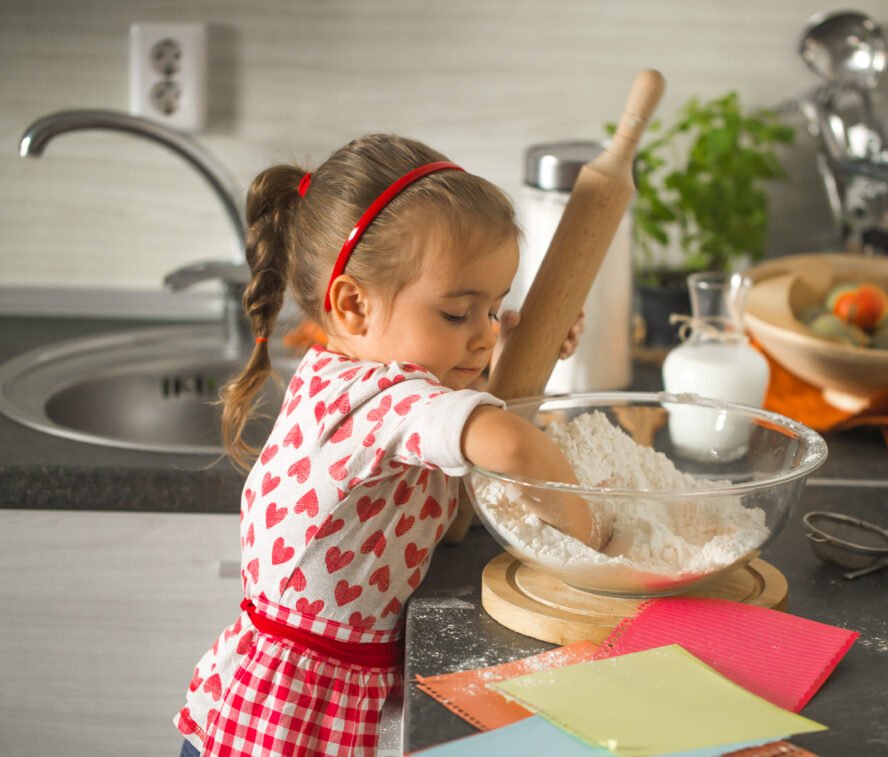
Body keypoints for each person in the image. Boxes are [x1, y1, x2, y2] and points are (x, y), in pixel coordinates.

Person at [174, 133, 608, 755]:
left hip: (286, 685)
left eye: (496, 308)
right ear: (354, 305)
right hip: (292, 717)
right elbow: (510, 448)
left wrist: (511, 349)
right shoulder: (382, 399)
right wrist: (592, 541)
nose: (485, 335)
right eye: (459, 314)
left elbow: (446, 456)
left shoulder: (340, 375)